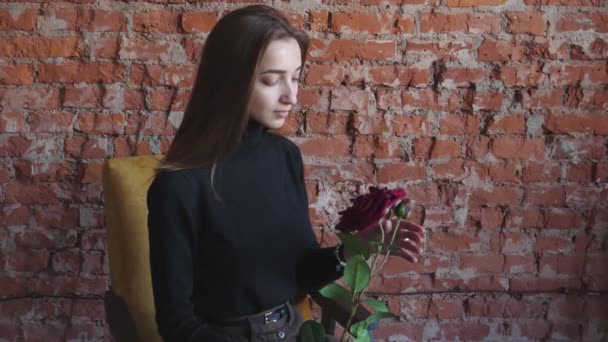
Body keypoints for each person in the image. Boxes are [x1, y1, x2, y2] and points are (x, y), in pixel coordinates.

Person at [146, 5, 425, 342]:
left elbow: (299, 273)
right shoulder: (179, 185)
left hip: (294, 331)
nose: (291, 96)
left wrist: (356, 248)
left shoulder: (285, 157)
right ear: (230, 81)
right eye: (271, 80)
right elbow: (178, 326)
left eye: (295, 76)